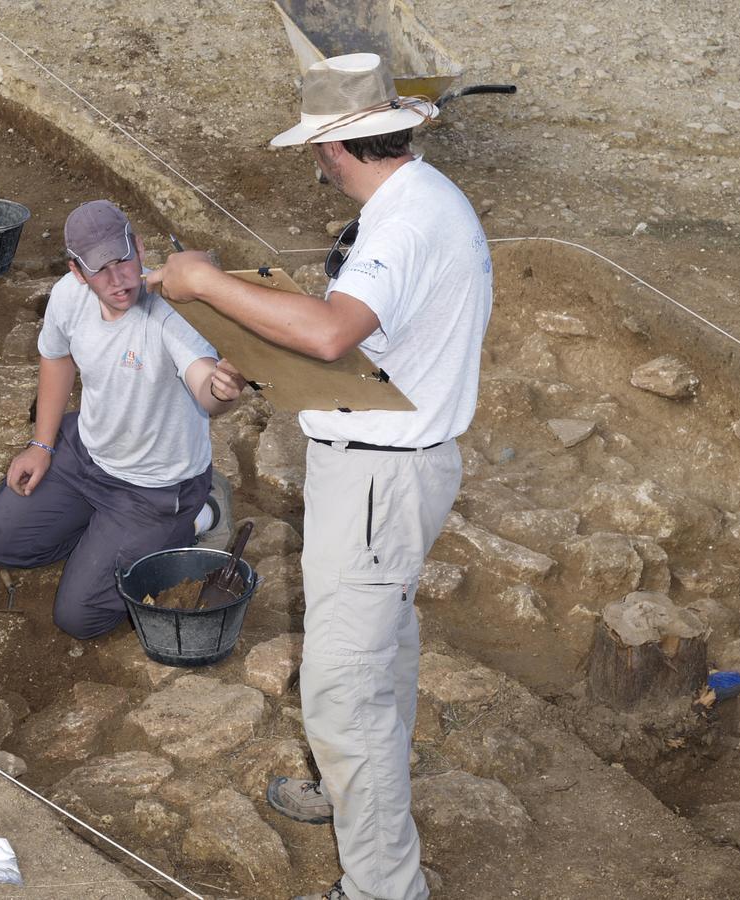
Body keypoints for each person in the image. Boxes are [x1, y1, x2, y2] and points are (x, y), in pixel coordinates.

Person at [147, 53, 493, 900]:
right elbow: (368, 347)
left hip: (380, 479)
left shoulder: (406, 221)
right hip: (385, 465)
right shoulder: (416, 201)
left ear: (337, 147)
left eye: (316, 145)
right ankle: (358, 799)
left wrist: (206, 284)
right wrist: (261, 357)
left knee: (343, 690)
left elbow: (336, 335)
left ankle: (381, 886)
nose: (315, 160)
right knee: (383, 652)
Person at [0, 200, 246, 640]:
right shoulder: (69, 294)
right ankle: (106, 535)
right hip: (86, 455)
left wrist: (220, 389)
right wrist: (42, 444)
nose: (117, 278)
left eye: (123, 260)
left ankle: (201, 513)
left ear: (139, 247)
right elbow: (56, 355)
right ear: (78, 272)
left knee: (79, 618)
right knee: (2, 544)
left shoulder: (169, 312)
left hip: (155, 487)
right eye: (99, 270)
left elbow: (203, 384)